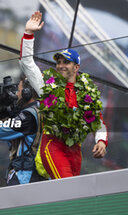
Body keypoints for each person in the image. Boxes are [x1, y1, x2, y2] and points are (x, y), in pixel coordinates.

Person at [20, 11, 108, 179]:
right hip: (53, 146)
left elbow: (98, 122)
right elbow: (27, 64)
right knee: (68, 188)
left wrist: (101, 141)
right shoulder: (47, 86)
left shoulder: (86, 91)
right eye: (58, 62)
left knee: (73, 196)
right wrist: (29, 34)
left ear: (76, 67)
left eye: (66, 62)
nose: (60, 65)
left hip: (75, 151)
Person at [0, 76, 47, 185]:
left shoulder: (27, 115)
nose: (16, 94)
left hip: (26, 175)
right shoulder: (40, 110)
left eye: (19, 91)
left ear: (27, 93)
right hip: (34, 173)